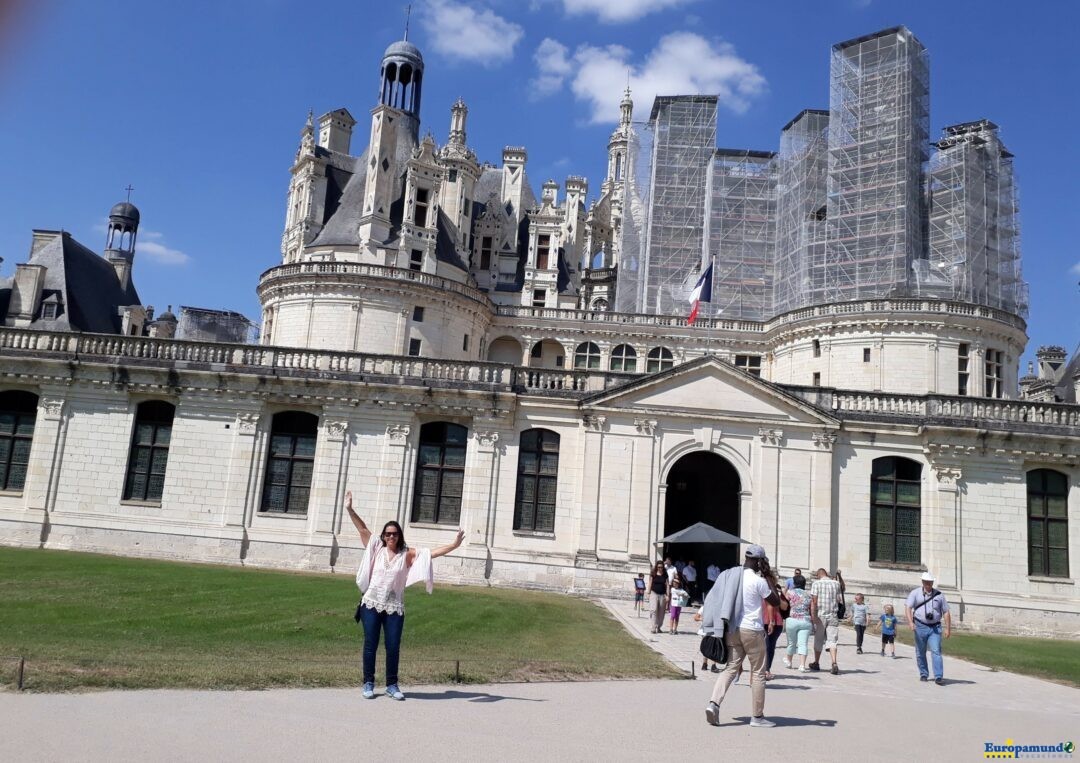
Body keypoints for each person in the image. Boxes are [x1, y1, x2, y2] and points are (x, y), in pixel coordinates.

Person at [345, 491, 464, 700]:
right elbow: (362, 528)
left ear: (399, 536)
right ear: (383, 536)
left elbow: (431, 553)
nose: (391, 536)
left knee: (393, 646)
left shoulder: (407, 554)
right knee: (370, 644)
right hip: (371, 604)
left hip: (394, 607)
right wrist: (349, 509)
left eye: (395, 534)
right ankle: (368, 683)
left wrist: (454, 545)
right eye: (388, 534)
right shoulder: (375, 548)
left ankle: (392, 685)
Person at [704, 545, 782, 729]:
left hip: (733, 628)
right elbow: (776, 601)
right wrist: (769, 576)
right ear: (760, 561)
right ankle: (757, 716)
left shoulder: (731, 575)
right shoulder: (759, 581)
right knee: (758, 673)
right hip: (752, 630)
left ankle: (713, 704)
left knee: (730, 668)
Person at [905, 571, 951, 684]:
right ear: (922, 582)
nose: (928, 585)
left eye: (930, 583)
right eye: (926, 583)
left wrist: (948, 628)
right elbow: (908, 608)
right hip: (920, 626)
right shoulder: (915, 593)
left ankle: (938, 676)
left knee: (936, 651)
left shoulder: (939, 595)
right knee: (920, 651)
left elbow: (946, 612)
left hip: (935, 627)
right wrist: (911, 622)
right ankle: (924, 673)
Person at [810, 568, 842, 675]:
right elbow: (838, 599)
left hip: (820, 615)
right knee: (832, 640)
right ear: (826, 574)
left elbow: (814, 601)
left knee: (818, 639)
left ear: (818, 575)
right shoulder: (836, 584)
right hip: (833, 615)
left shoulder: (816, 584)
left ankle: (816, 662)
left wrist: (813, 615)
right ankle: (834, 662)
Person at [782, 574, 813, 671]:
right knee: (803, 644)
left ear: (794, 583)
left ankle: (789, 661)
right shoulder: (809, 595)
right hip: (805, 621)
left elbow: (785, 605)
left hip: (792, 620)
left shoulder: (790, 592)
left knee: (791, 642)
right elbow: (811, 609)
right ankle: (802, 665)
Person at [648, 561, 669, 634]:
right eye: (658, 567)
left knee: (661, 612)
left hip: (662, 595)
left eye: (661, 567)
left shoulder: (665, 575)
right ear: (656, 567)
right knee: (653, 610)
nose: (660, 568)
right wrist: (648, 592)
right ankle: (653, 627)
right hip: (654, 593)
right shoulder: (653, 574)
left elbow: (667, 585)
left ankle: (658, 626)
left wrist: (668, 595)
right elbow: (650, 583)